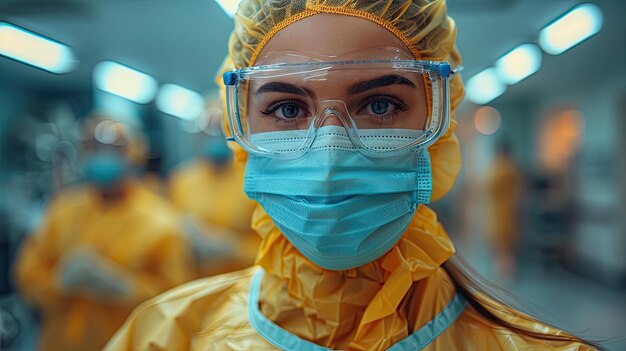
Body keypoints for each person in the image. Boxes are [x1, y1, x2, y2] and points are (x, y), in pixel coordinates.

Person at [106, 1, 601, 350]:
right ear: (242, 131)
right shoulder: (164, 337)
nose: (329, 154)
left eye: (380, 105)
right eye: (285, 108)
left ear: (441, 122)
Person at [13, 115, 193, 351]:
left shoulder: (161, 221)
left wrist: (121, 287)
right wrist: (59, 282)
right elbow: (27, 275)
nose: (103, 157)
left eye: (113, 150)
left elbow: (177, 299)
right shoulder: (61, 210)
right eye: (95, 148)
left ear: (133, 154)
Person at [168, 128, 259, 278]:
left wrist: (233, 249)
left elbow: (274, 247)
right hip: (196, 279)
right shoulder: (182, 179)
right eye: (207, 133)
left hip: (243, 280)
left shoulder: (253, 180)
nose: (215, 139)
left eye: (222, 132)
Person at [486, 140, 523, 280]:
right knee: (508, 243)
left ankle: (505, 270)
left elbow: (488, 187)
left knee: (501, 243)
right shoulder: (513, 168)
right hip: (511, 211)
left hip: (500, 212)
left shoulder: (499, 168)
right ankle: (507, 269)